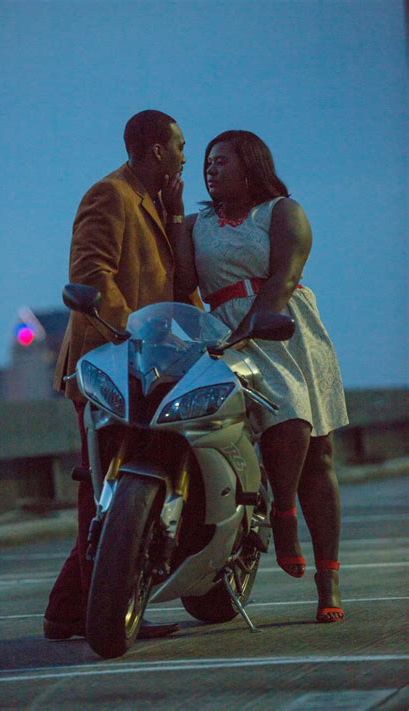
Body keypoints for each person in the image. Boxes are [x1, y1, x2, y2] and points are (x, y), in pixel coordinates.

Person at [173, 130, 349, 623]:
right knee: (273, 419)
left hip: (282, 324)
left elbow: (285, 276)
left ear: (250, 165)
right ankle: (279, 511)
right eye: (207, 162)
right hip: (223, 331)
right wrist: (172, 215)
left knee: (315, 446)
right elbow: (185, 284)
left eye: (221, 161)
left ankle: (325, 573)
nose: (210, 169)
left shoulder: (282, 211)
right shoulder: (194, 224)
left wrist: (258, 328)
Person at [44, 110, 189, 641]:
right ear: (155, 149)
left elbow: (175, 286)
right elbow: (90, 273)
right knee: (104, 489)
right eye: (178, 145)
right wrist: (132, 334)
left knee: (121, 492)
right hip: (108, 361)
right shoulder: (110, 195)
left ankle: (68, 609)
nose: (184, 156)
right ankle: (100, 608)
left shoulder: (153, 203)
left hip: (147, 367)